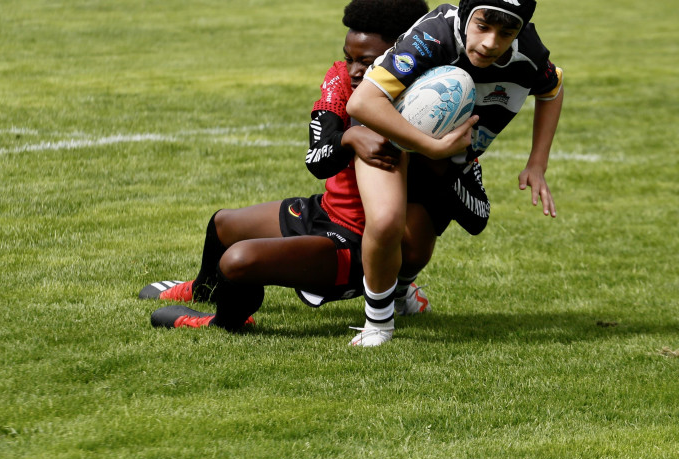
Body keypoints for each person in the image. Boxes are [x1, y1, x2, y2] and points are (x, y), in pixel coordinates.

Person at [140, 0, 488, 342]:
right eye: (350, 57)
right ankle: (204, 289)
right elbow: (317, 160)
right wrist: (350, 136)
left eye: (366, 62)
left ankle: (226, 321)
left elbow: (478, 216)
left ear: (404, 57)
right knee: (223, 224)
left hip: (356, 246)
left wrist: (444, 160)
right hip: (324, 211)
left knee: (238, 260)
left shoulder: (435, 107)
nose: (352, 70)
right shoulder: (342, 79)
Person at [345, 0, 564, 345]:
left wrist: (538, 163)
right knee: (386, 220)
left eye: (506, 33)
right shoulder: (434, 36)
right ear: (464, 16)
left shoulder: (529, 52)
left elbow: (552, 88)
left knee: (416, 249)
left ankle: (402, 291)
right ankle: (378, 324)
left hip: (447, 150)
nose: (492, 42)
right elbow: (361, 103)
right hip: (384, 126)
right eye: (483, 27)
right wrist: (430, 147)